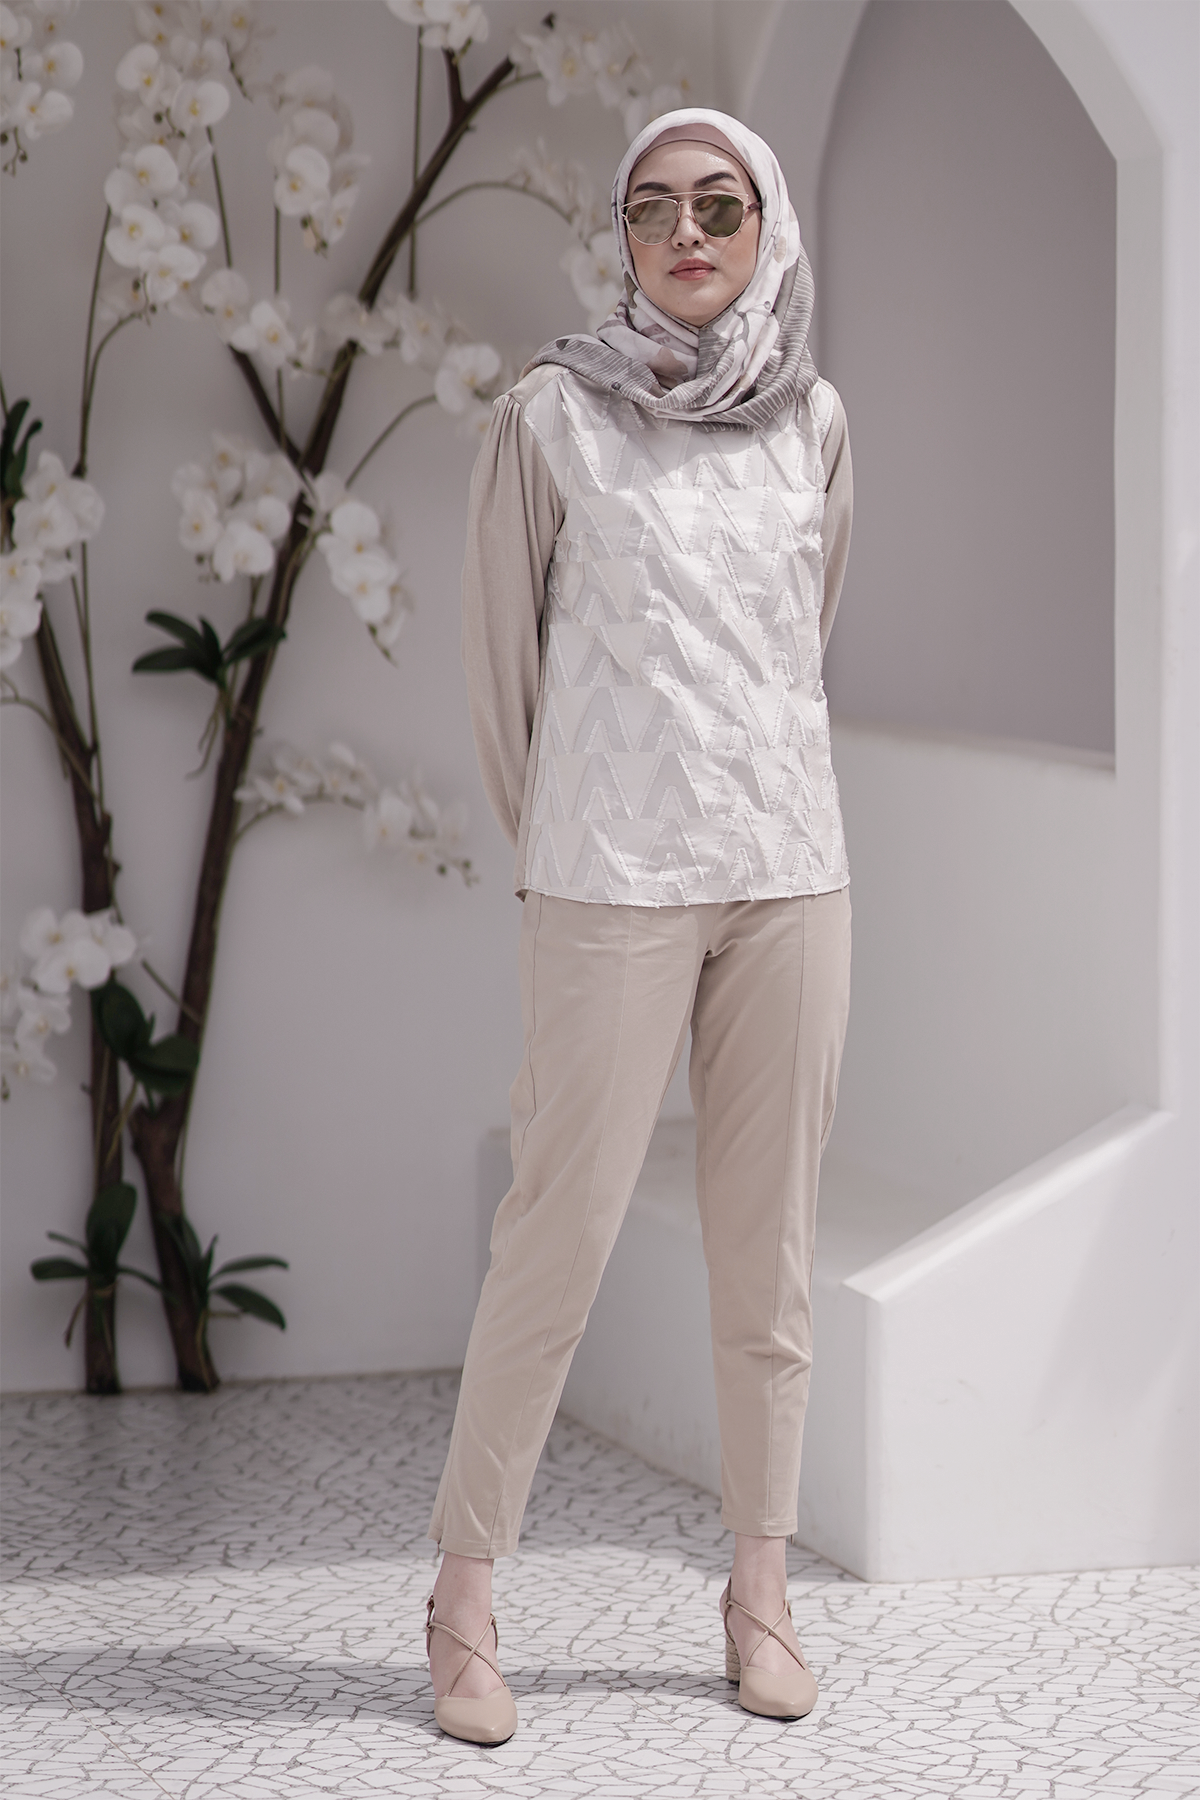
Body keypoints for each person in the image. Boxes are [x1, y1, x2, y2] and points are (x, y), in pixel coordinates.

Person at [424, 108, 853, 1746]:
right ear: (620, 235)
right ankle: (464, 1597)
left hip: (788, 870)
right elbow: (503, 676)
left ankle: (761, 1593)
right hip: (609, 874)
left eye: (719, 206)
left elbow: (806, 633)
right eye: (655, 208)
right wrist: (563, 847)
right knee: (558, 1237)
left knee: (772, 1254)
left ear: (766, 227)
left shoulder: (814, 419)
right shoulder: (553, 416)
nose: (687, 234)